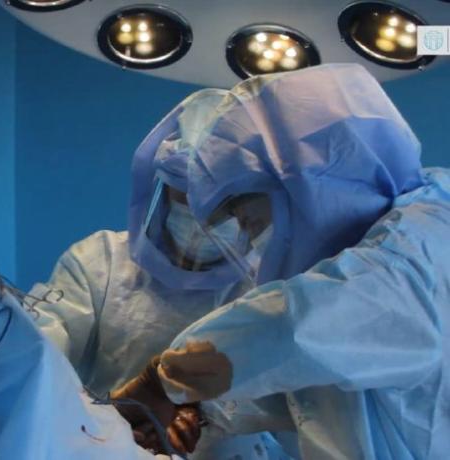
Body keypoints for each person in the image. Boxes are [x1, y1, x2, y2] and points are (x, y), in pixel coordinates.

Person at [114, 63, 449, 458]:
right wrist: (200, 409)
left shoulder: (422, 242)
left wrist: (166, 380)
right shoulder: (377, 256)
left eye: (252, 220)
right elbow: (319, 382)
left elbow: (301, 325)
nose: (254, 239)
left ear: (305, 182)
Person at [29, 87, 296, 457]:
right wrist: (107, 417)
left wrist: (206, 412)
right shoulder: (100, 262)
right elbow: (35, 357)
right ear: (162, 188)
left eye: (221, 206)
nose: (202, 218)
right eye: (187, 198)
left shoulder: (272, 286)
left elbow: (293, 396)